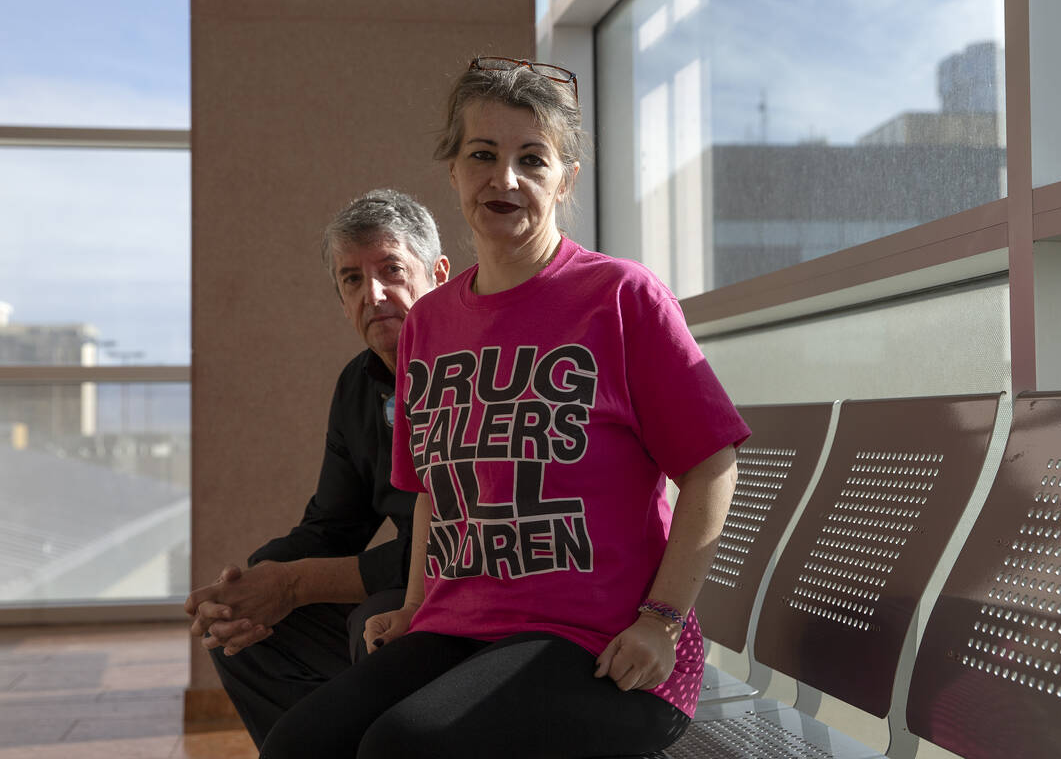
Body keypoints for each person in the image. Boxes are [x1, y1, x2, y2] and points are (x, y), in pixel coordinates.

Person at [259, 57, 750, 759]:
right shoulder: (430, 323)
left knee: (404, 748)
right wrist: (414, 605)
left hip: (609, 647)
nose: (506, 179)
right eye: (483, 155)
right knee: (299, 745)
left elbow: (712, 465)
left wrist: (661, 622)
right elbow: (433, 490)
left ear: (565, 179)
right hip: (460, 628)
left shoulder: (621, 298)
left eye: (533, 159)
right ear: (454, 170)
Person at [183, 189, 450, 748]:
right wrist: (253, 581)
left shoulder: (476, 371)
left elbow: (458, 540)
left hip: (468, 588)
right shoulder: (357, 385)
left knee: (373, 623)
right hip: (403, 578)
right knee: (244, 636)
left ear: (440, 275)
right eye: (352, 279)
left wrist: (295, 582)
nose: (374, 294)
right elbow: (333, 524)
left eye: (392, 270)